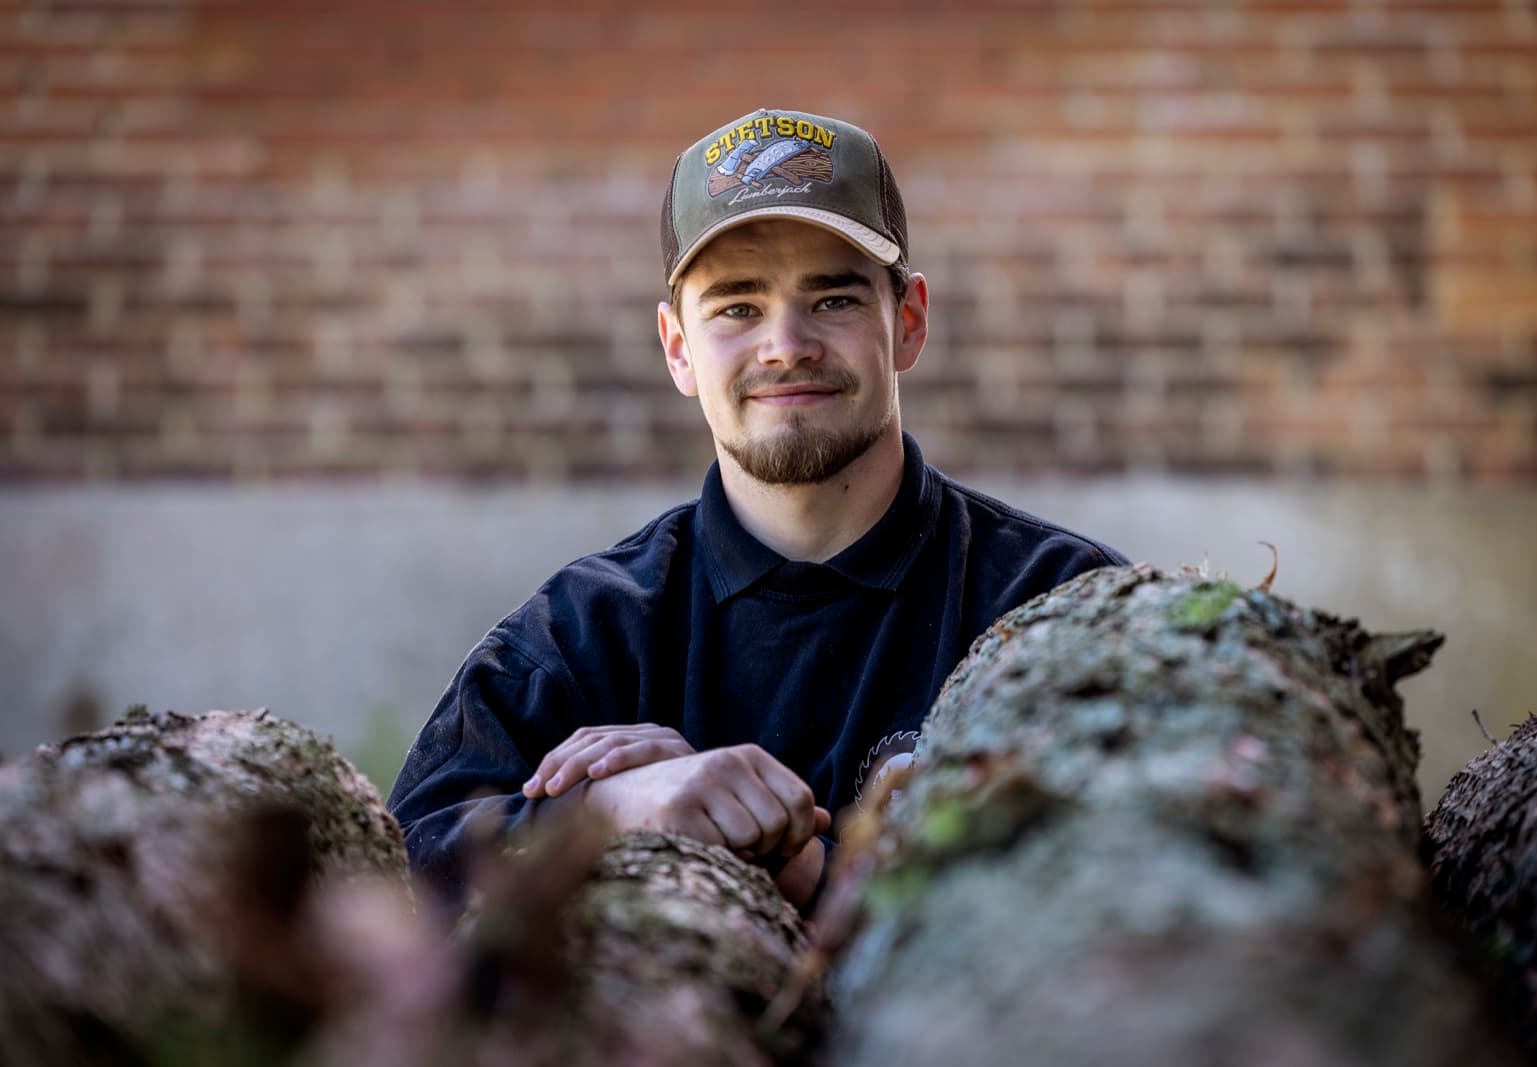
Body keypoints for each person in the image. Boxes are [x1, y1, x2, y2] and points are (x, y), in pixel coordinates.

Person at [387, 107, 1126, 912]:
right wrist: (605, 811)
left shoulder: (1059, 604)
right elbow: (398, 867)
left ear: (907, 320)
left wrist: (809, 868)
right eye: (737, 308)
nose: (786, 344)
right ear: (678, 348)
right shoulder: (585, 635)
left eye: (834, 300)